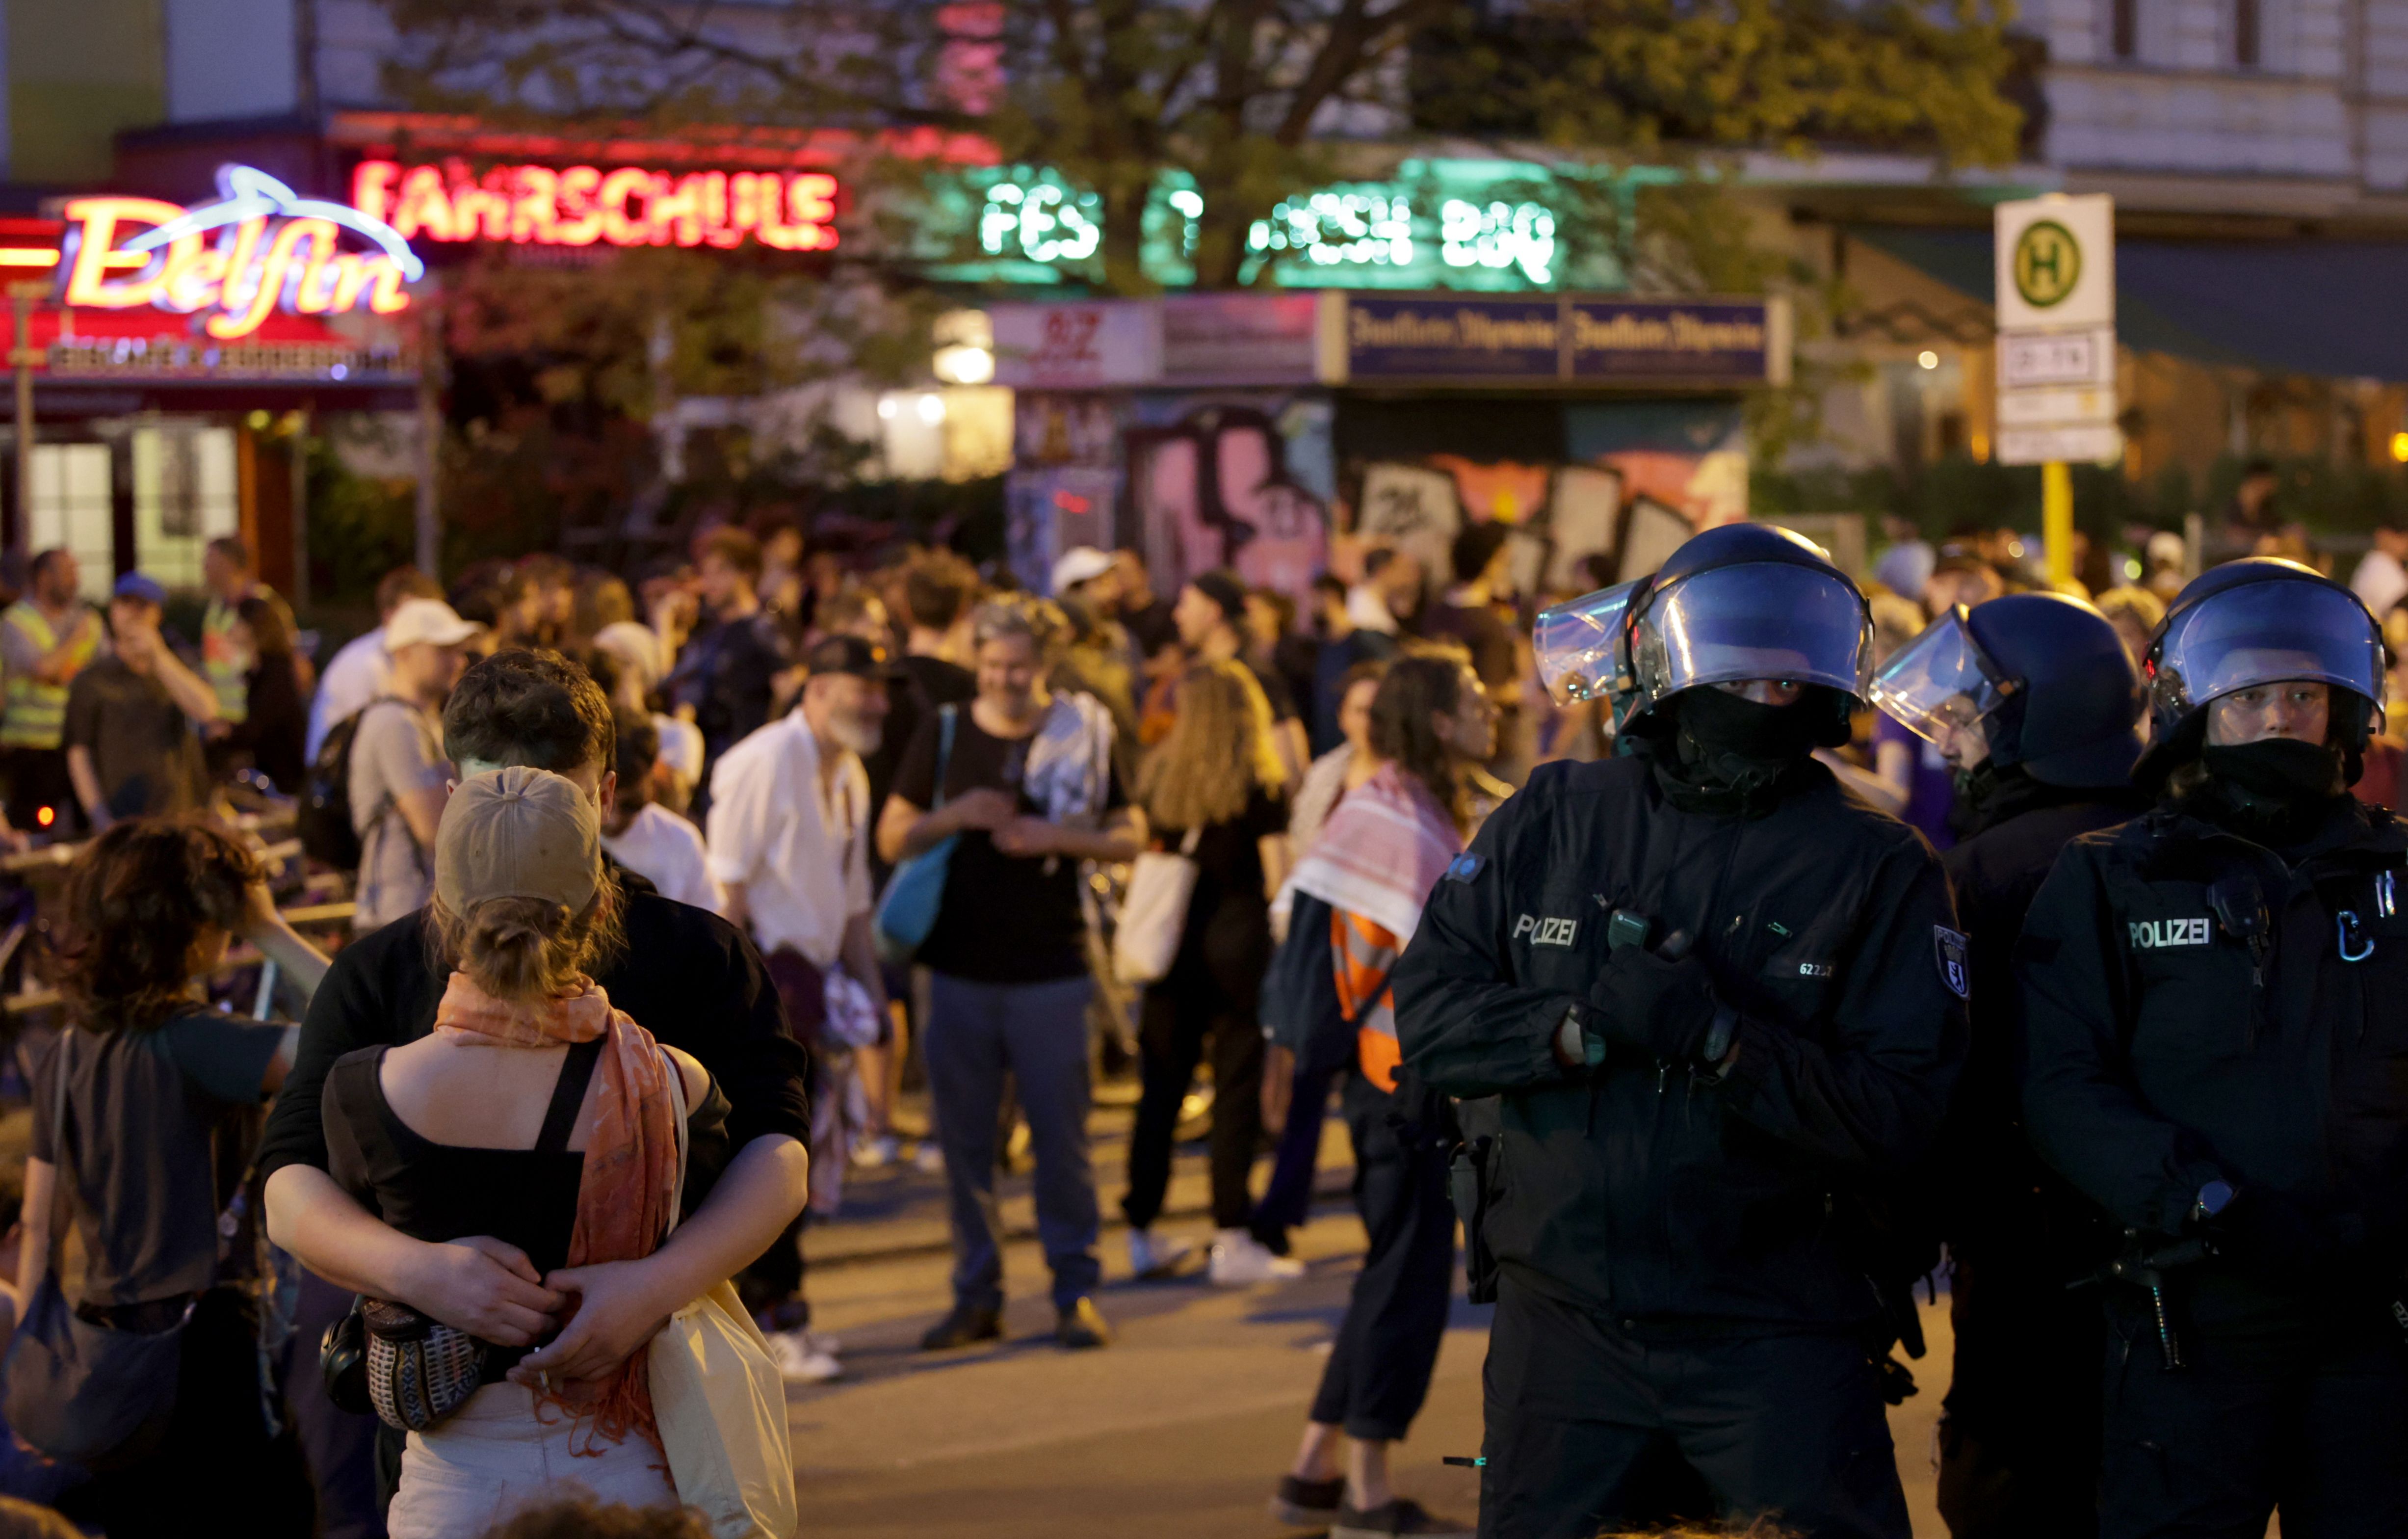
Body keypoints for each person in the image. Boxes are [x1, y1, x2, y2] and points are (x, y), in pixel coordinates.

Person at [1394, 525, 1968, 1539]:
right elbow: (1431, 1015)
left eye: (1782, 676)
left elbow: (1906, 1110)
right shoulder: (1555, 813)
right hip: (1564, 1319)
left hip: (1778, 1329)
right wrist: (1577, 1032)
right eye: (1732, 671)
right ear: (1661, 665)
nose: (1758, 697)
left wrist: (1723, 1044)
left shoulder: (1878, 864)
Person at [258, 650, 812, 1517]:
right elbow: (288, 1184)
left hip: (650, 1422)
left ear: (608, 793)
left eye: (559, 796)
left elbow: (779, 1151)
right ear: (453, 803)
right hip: (450, 1438)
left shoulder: (698, 955)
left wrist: (655, 1287)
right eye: (500, 796)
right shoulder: (377, 973)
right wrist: (422, 1273)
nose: (530, 823)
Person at [2017, 557, 2408, 1539]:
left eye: (2304, 693)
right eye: (2250, 693)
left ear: (2346, 713)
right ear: (2195, 710)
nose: (2280, 714)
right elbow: (2063, 1081)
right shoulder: (2110, 876)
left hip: (2376, 1323)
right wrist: (2201, 1200)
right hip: (2191, 1317)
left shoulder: (2395, 872)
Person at [314, 766, 731, 1536]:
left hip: (454, 1485)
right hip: (628, 1474)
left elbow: (330, 1227)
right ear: (601, 907)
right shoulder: (671, 1083)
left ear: (440, 913)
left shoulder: (363, 1091)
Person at [1865, 593, 2149, 1539]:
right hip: (2180, 1255)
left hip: (2022, 1267)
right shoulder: (2177, 847)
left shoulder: (1979, 872)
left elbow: (1930, 1085)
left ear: (2040, 713)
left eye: (1970, 715)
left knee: (2006, 1501)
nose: (1951, 738)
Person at [19, 817, 332, 1536]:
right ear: (189, 922)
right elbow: (356, 1024)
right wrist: (270, 929)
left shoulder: (69, 1050)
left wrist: (34, 1368)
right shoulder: (199, 1042)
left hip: (110, 1355)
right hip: (204, 1353)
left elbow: (39, 1225)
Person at [1265, 652, 1494, 1539]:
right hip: (1399, 1082)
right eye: (1472, 698)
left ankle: (1311, 1468)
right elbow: (1433, 946)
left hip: (1397, 1078)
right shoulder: (1391, 814)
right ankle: (1365, 1492)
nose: (1489, 707)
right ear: (1437, 720)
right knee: (1403, 1277)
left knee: (1385, 1270)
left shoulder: (1413, 802)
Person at [878, 594, 1141, 1352]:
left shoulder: (1082, 733)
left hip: (1052, 966)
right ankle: (977, 1294)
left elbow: (1132, 835)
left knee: (1064, 1141)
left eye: (1019, 666)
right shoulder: (948, 729)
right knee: (964, 1145)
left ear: (1046, 665)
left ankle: (1075, 1290)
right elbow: (893, 835)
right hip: (957, 968)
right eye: (991, 665)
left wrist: (1054, 836)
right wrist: (956, 815)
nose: (1003, 679)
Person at [705, 633, 896, 1383]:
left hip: (813, 991)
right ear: (816, 688)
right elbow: (728, 891)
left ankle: (787, 1310)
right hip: (766, 990)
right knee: (768, 1160)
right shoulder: (763, 762)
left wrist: (874, 1001)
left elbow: (851, 905)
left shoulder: (848, 771)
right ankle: (771, 1319)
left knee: (801, 1161)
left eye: (880, 689)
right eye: (860, 686)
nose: (874, 701)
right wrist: (741, 1007)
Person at [1122, 661, 1293, 1285]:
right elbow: (1279, 877)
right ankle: (1231, 1233)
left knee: (1160, 1092)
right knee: (1235, 1094)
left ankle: (1141, 1228)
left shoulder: (1160, 777)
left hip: (1172, 955)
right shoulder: (1259, 785)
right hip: (1241, 951)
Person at [349, 599, 479, 932]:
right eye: (443, 650)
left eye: (459, 650)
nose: (459, 661)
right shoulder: (396, 723)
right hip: (398, 916)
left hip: (408, 912)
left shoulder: (420, 720)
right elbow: (434, 829)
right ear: (404, 653)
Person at [63, 574, 217, 829]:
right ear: (112, 611)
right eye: (125, 604)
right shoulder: (92, 679)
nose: (133, 614)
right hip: (124, 820)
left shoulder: (177, 665)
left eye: (143, 606)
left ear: (158, 615)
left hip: (183, 815)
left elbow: (207, 710)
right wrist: (100, 817)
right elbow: (78, 754)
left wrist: (159, 656)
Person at [667, 528, 791, 816]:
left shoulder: (764, 630)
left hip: (747, 773)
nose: (709, 583)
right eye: (706, 573)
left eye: (720, 573)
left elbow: (789, 694)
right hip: (707, 775)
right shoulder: (708, 634)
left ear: (746, 574)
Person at [1175, 568, 1308, 791]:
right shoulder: (1200, 673)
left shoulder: (1251, 675)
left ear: (1213, 612)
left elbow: (1290, 753)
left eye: (1186, 604)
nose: (1178, 615)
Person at [0, 549, 100, 833]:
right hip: (31, 747)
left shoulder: (87, 621)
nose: (75, 581)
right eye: (68, 573)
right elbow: (41, 669)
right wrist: (76, 639)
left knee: (84, 825)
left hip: (78, 742)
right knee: (32, 828)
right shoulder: (17, 622)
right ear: (44, 578)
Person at [308, 568, 445, 763]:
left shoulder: (407, 661)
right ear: (389, 616)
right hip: (337, 779)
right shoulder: (365, 665)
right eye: (415, 617)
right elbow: (369, 745)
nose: (427, 628)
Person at [600, 710, 721, 913]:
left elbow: (711, 921)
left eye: (631, 805)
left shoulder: (681, 841)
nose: (613, 819)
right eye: (605, 802)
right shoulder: (565, 837)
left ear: (656, 774)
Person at [222, 593, 310, 794]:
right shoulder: (258, 672)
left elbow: (257, 728)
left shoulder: (276, 672)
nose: (230, 628)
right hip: (271, 774)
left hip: (283, 783)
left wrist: (225, 732)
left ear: (253, 627)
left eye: (237, 621)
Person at [199, 536, 288, 726]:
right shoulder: (216, 607)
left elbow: (287, 658)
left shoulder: (264, 604)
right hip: (221, 717)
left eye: (209, 559)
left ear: (227, 563)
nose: (204, 567)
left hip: (255, 719)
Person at [1113, 548, 1179, 663]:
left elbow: (1171, 663)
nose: (1120, 578)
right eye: (1116, 573)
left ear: (1144, 573)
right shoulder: (1113, 614)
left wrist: (1132, 671)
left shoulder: (1166, 613)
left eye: (1126, 572)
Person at [2351, 518, 2408, 623]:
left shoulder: (2377, 563)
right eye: (2400, 536)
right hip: (2379, 635)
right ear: (2382, 535)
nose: (2405, 541)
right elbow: (2398, 612)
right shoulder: (2381, 566)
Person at [1871, 514, 1937, 603]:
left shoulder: (1924, 549)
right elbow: (1879, 582)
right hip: (1897, 603)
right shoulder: (1889, 555)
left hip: (1924, 602)